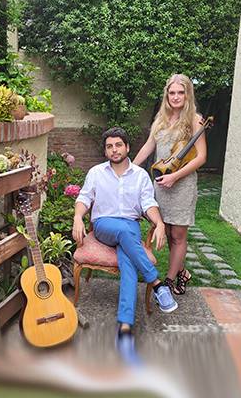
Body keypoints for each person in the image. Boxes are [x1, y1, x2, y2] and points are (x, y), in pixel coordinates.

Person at [72, 126, 177, 362]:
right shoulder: (96, 173)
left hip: (130, 227)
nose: (114, 150)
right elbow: (84, 198)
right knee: (123, 232)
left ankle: (125, 328)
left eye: (118, 145)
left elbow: (148, 203)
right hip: (104, 225)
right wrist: (78, 217)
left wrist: (159, 223)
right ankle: (156, 282)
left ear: (127, 147)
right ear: (105, 151)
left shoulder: (140, 176)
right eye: (109, 146)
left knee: (128, 264)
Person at [133, 74, 207, 295]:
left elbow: (201, 157)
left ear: (187, 95)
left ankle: (169, 280)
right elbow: (148, 146)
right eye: (172, 93)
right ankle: (182, 272)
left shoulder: (195, 120)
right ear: (167, 95)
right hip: (160, 183)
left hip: (182, 185)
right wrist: (130, 169)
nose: (175, 97)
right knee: (162, 228)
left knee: (177, 235)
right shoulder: (161, 119)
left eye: (180, 93)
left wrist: (175, 177)